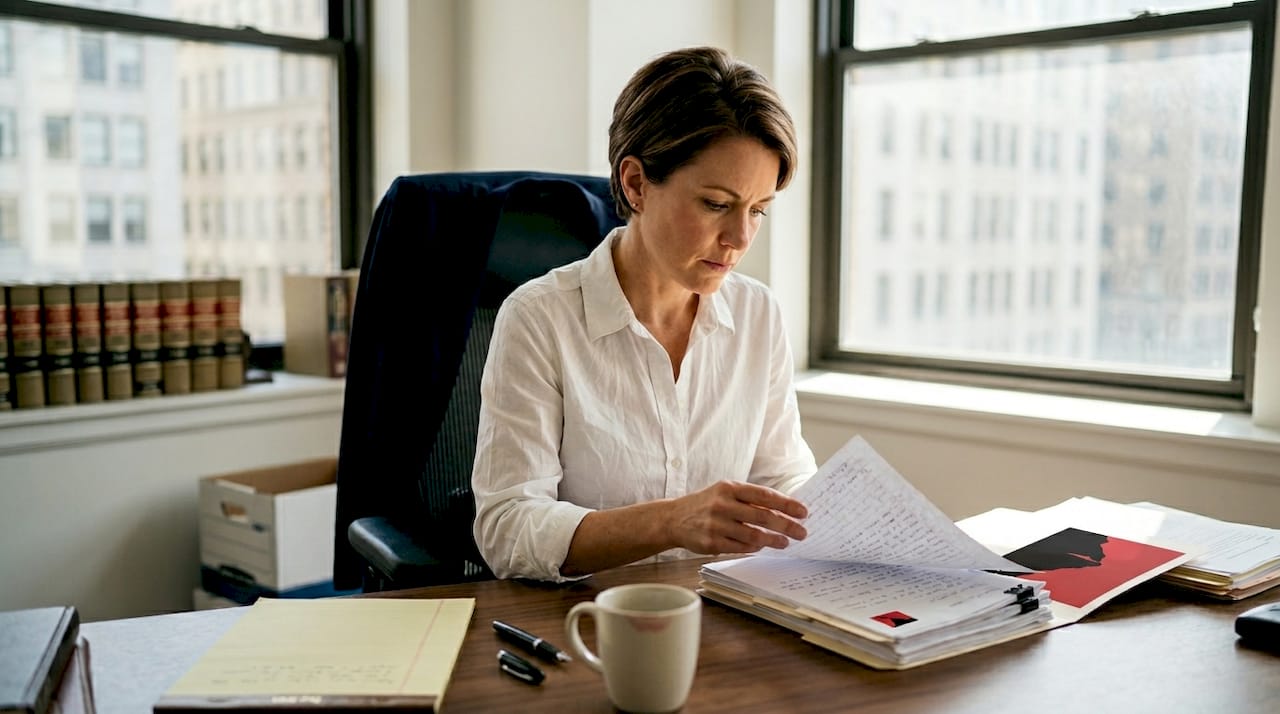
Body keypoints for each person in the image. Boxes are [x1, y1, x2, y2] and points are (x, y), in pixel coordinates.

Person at [472, 46, 817, 582]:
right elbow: (508, 530)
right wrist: (671, 522)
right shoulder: (540, 318)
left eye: (758, 211)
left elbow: (783, 477)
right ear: (635, 184)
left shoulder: (758, 315)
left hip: (728, 624)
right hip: (588, 626)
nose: (739, 239)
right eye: (716, 204)